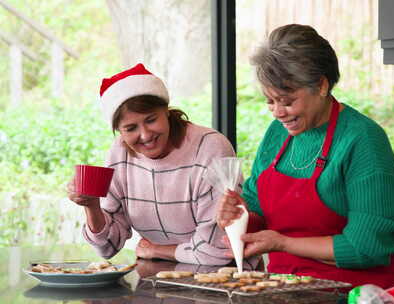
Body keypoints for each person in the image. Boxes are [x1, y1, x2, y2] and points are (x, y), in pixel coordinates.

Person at [216, 24, 394, 289]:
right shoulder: (278, 134)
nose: (277, 112)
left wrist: (282, 243)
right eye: (269, 101)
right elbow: (257, 206)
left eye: (286, 101)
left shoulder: (362, 140)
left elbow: (366, 247)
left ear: (321, 85)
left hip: (355, 293)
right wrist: (240, 216)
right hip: (283, 290)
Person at [67, 63, 258, 268]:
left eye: (151, 120)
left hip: (224, 276)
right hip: (160, 274)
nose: (145, 135)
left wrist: (158, 250)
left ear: (166, 111)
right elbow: (107, 248)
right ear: (119, 131)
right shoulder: (119, 153)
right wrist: (92, 206)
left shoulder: (210, 148)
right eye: (130, 128)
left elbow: (219, 250)